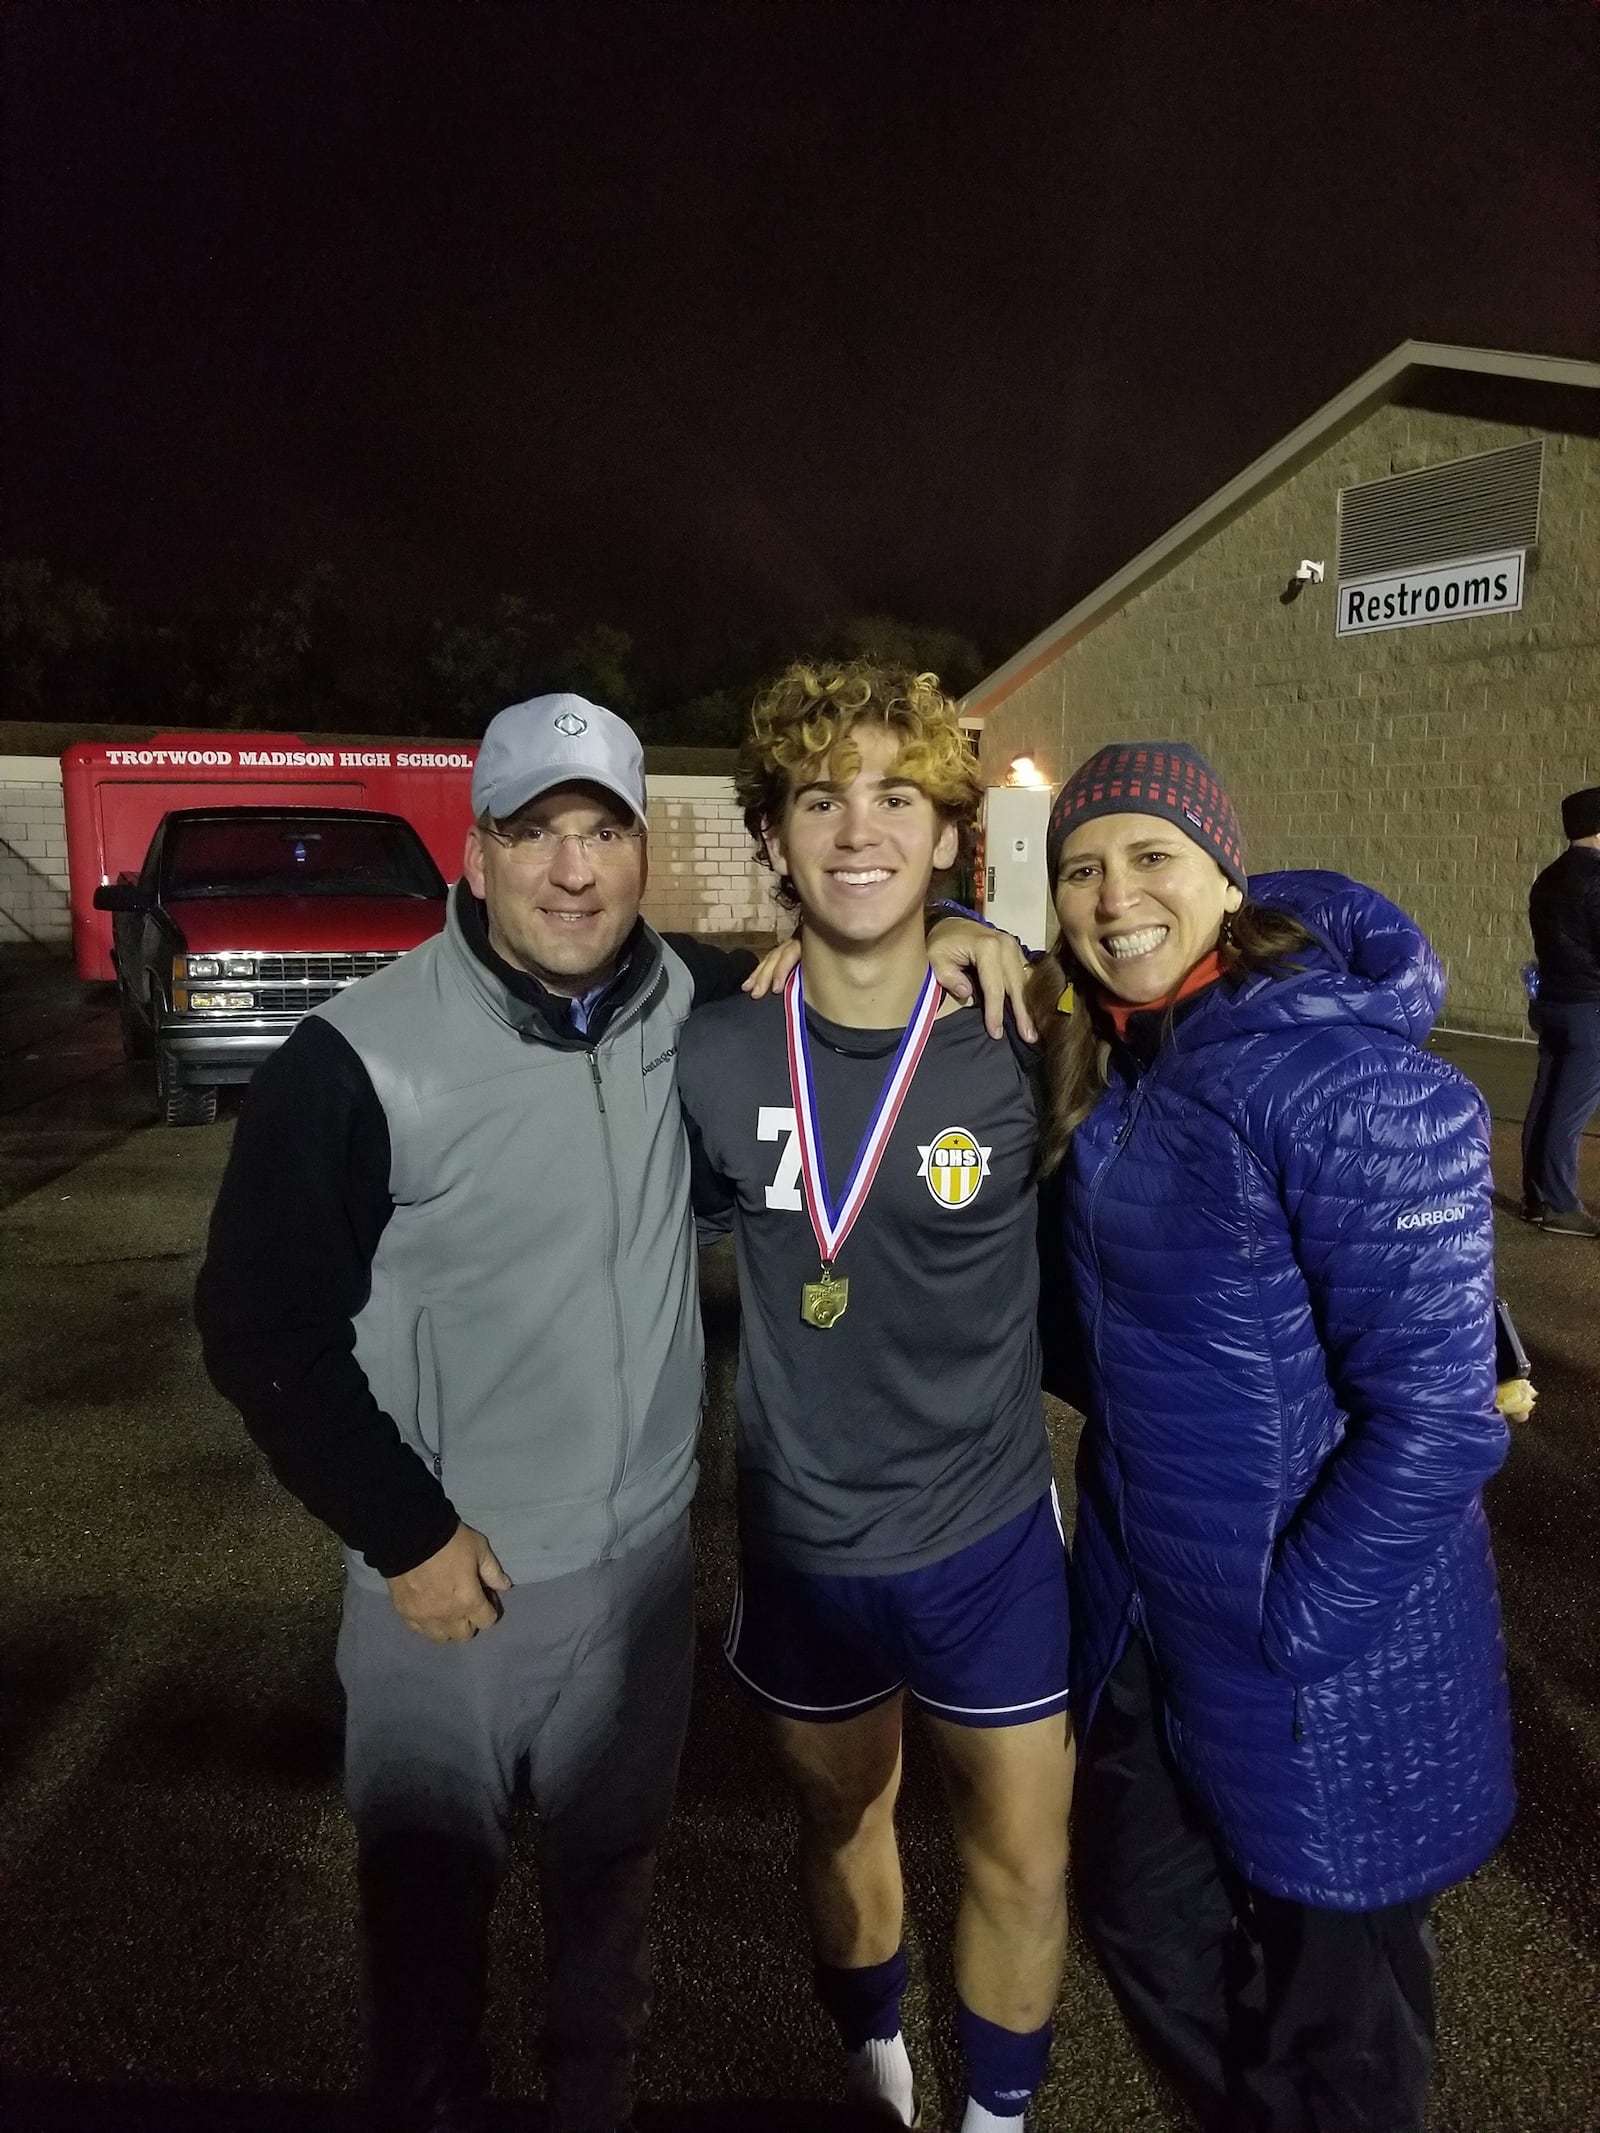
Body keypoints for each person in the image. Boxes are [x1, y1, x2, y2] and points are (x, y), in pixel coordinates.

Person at [194, 690, 1028, 2133]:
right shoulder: (355, 1056)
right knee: (428, 1922)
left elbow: (859, 969)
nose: (573, 869)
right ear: (476, 854)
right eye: (535, 833)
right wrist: (406, 1534)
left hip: (637, 1570)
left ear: (646, 853)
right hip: (444, 1585)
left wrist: (968, 932)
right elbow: (259, 1325)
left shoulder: (700, 1002)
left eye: (604, 832)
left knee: (607, 1911)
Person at [1027, 740, 1515, 2133]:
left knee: (1338, 2026)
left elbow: (1439, 1421)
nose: (1115, 895)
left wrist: (1288, 1623)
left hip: (1322, 1656)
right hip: (1144, 1620)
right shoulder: (1117, 1067)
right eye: (1081, 867)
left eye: (1151, 856)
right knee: (1140, 1917)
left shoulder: (1352, 1087)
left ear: (1226, 879)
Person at [675, 662, 1074, 2133]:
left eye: (897, 797)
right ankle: (872, 2061)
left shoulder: (1029, 1032)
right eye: (820, 798)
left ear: (950, 837)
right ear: (774, 837)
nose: (859, 828)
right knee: (840, 1820)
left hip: (989, 1537)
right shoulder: (711, 1053)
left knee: (1026, 1856)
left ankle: (997, 2119)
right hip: (806, 1544)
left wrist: (991, 938)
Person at [1520, 782, 1600, 1235]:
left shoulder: (1548, 877)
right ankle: (1559, 1203)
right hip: (1591, 1009)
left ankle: (1537, 1197)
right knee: (1568, 1112)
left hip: (1554, 1003)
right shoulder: (1596, 879)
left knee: (1546, 1101)